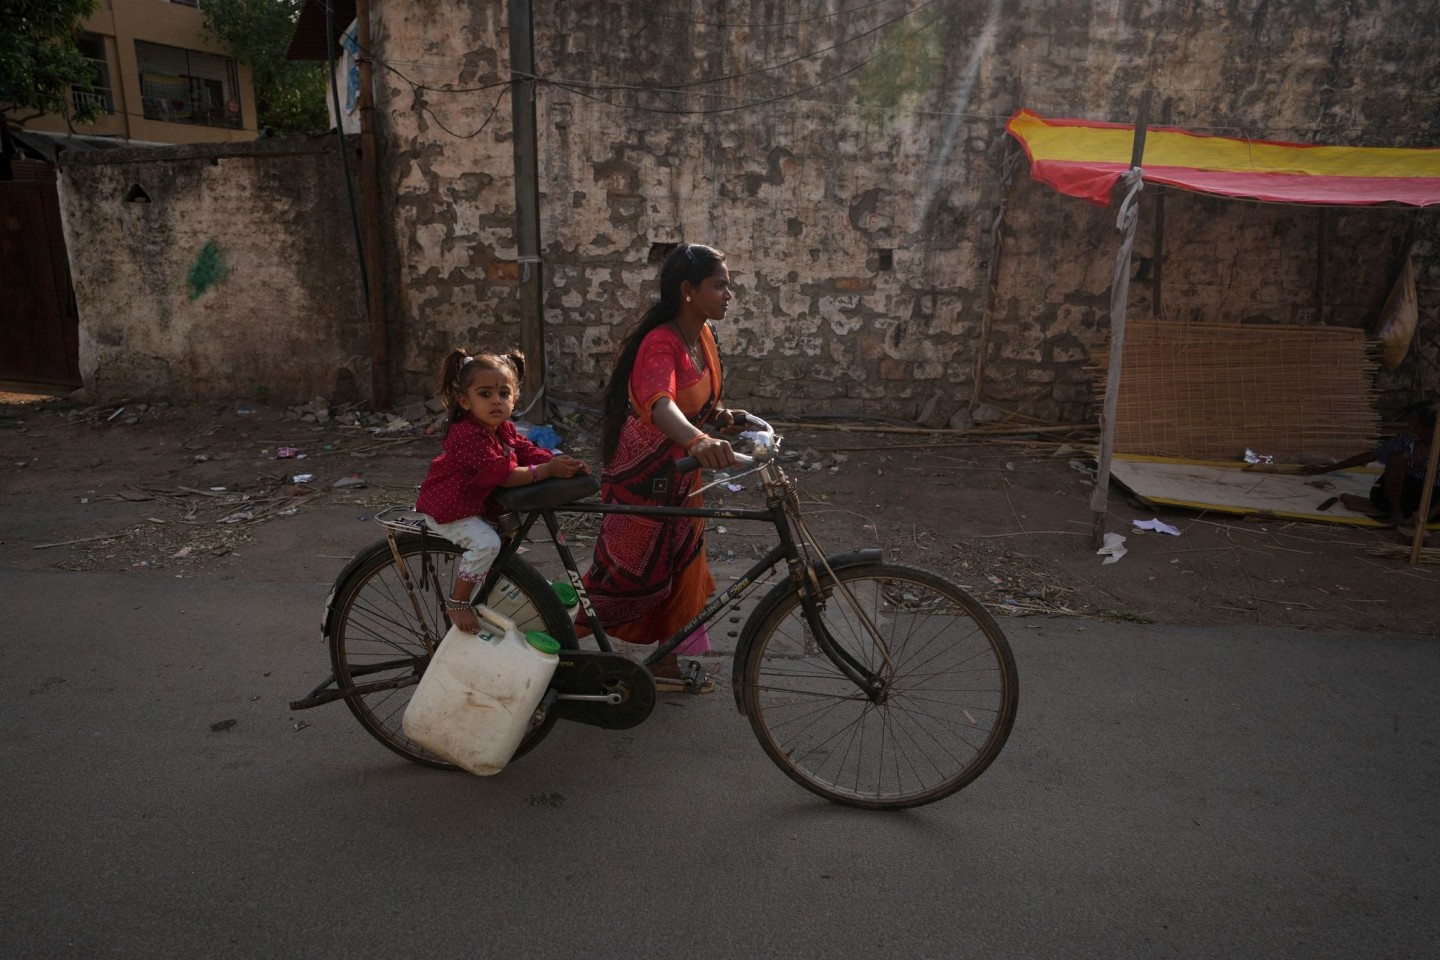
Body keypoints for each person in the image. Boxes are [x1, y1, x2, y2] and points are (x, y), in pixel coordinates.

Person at [579, 243, 749, 691]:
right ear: (688, 291)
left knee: (685, 568)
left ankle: (667, 663)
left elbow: (694, 400)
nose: (729, 294)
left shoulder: (704, 336)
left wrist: (718, 418)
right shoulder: (661, 343)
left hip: (681, 471)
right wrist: (698, 438)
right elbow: (660, 405)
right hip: (644, 475)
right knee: (626, 574)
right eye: (721, 285)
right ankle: (556, 640)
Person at [415, 348, 589, 633]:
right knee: (488, 544)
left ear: (514, 397)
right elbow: (506, 476)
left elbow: (523, 449)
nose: (496, 400)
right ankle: (458, 602)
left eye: (504, 394)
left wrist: (556, 461)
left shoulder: (501, 427)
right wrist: (546, 471)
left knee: (511, 535)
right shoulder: (467, 434)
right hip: (451, 510)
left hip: (478, 504)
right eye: (485, 394)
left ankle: (493, 590)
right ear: (465, 401)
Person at [1303, 402, 1440, 527]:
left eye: (1416, 426)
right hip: (1397, 499)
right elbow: (1372, 456)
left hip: (1429, 502)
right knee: (1397, 458)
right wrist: (1326, 469)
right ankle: (1395, 513)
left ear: (1432, 427)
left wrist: (1427, 516)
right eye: (1410, 424)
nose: (1411, 428)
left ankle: (1407, 515)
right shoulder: (1405, 438)